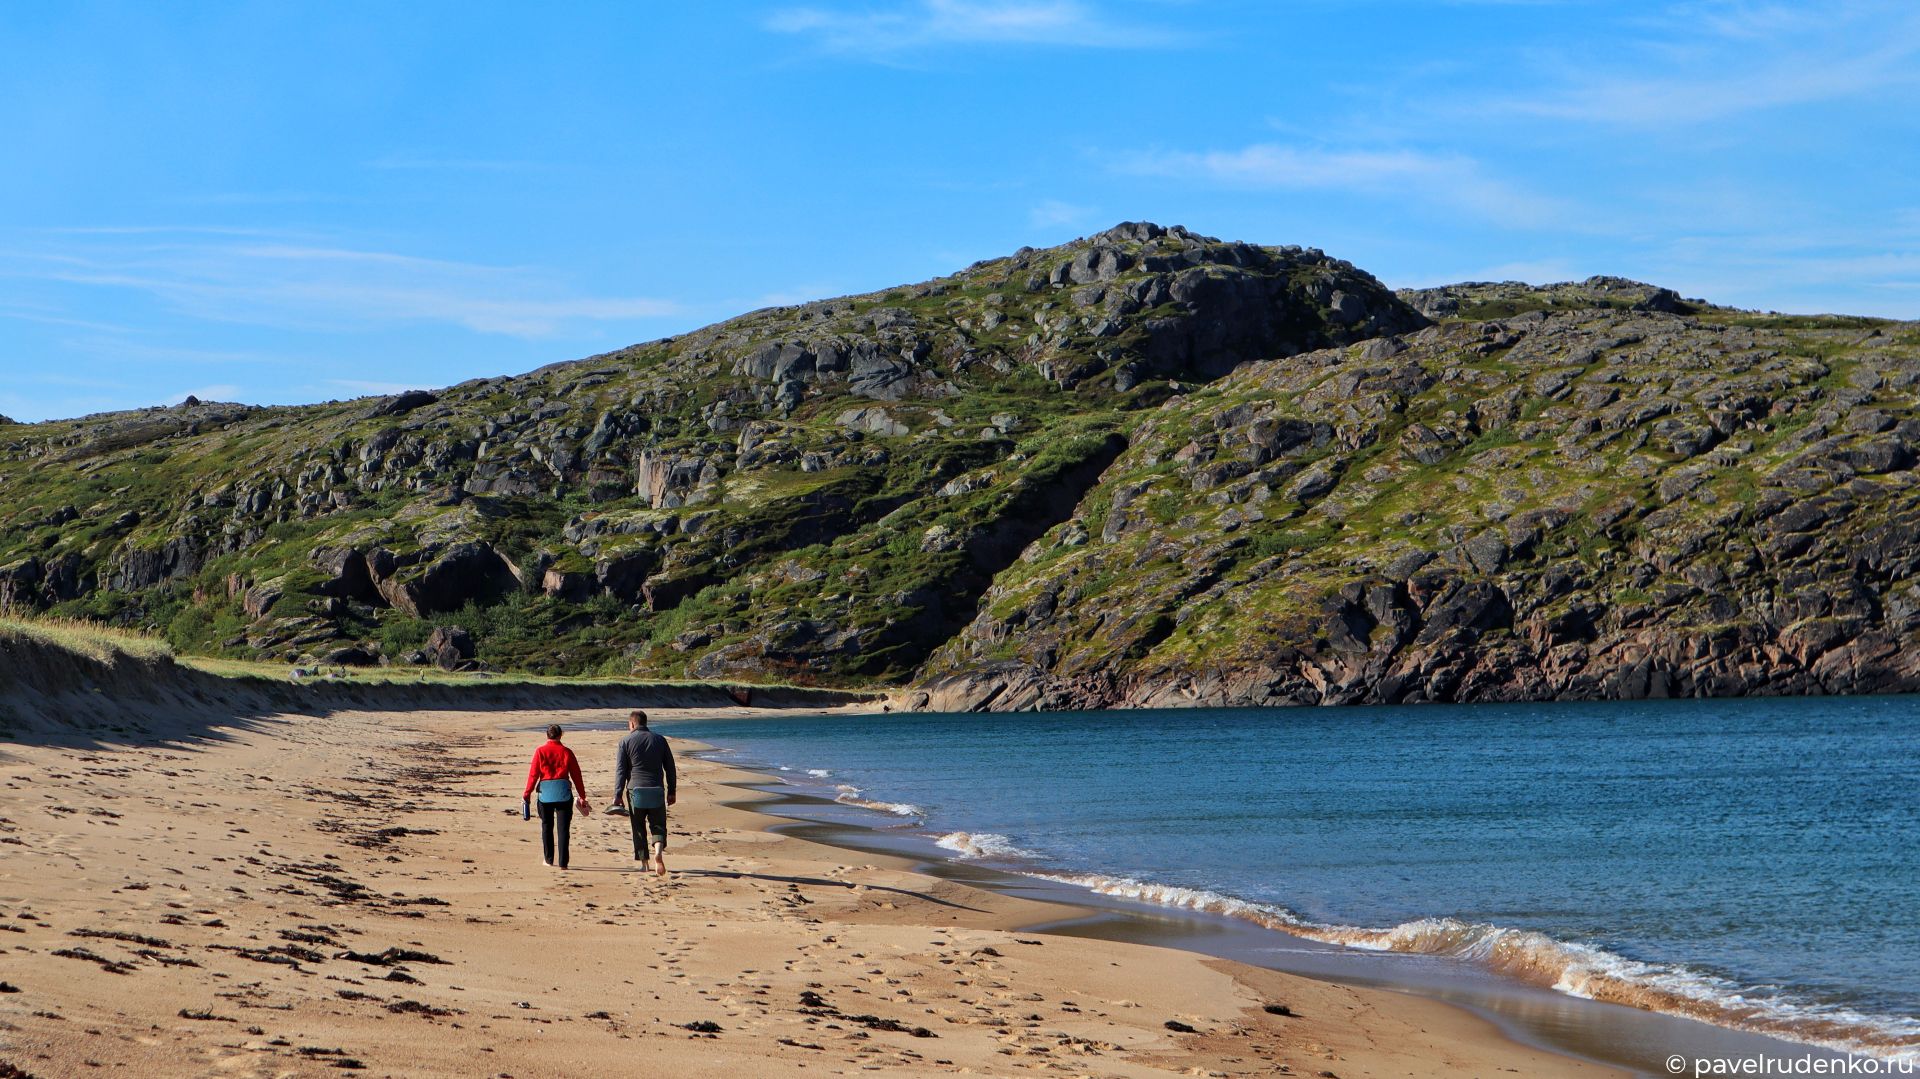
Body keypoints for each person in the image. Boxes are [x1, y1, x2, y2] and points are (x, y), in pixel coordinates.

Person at [613, 710, 676, 876]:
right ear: (645, 723)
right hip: (656, 790)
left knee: (638, 827)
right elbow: (670, 768)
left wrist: (617, 794)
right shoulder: (660, 740)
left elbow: (621, 770)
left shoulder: (625, 741)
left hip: (636, 791)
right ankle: (658, 852)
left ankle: (644, 863)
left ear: (632, 724)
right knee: (658, 825)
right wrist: (672, 791)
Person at [523, 724, 591, 869]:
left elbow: (533, 775)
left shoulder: (540, 751)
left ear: (547, 735)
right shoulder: (567, 752)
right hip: (563, 794)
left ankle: (548, 860)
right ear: (561, 735)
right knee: (563, 828)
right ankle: (563, 863)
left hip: (545, 795)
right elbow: (576, 775)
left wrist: (527, 794)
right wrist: (582, 795)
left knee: (547, 826)